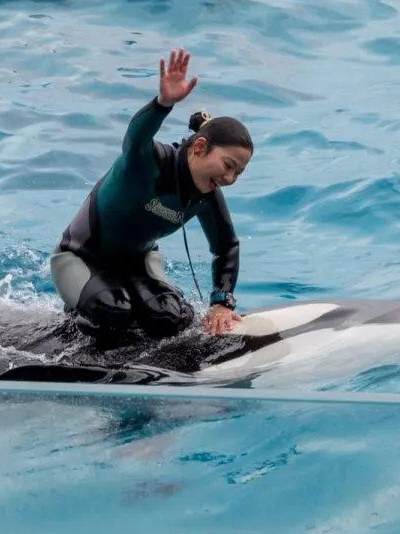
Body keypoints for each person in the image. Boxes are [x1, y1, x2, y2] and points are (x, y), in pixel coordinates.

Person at [53, 49, 253, 347]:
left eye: (238, 173)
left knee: (172, 318)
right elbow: (135, 137)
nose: (229, 179)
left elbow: (226, 247)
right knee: (113, 311)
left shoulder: (207, 195)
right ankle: (73, 332)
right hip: (80, 256)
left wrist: (221, 303)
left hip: (139, 262)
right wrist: (163, 104)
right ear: (199, 147)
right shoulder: (148, 163)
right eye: (227, 166)